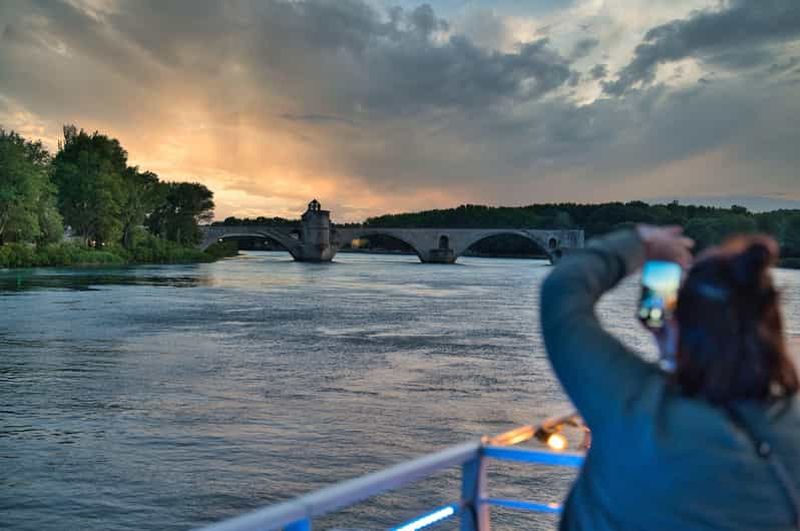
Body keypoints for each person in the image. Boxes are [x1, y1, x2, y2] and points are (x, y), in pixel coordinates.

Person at [540, 225, 800, 530]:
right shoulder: (790, 420)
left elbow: (562, 293)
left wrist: (643, 243)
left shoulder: (634, 405)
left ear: (679, 322)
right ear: (771, 328)